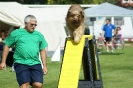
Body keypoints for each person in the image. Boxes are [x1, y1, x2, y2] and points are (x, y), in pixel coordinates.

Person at [0, 15, 48, 88]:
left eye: (35, 25)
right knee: (25, 85)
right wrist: (3, 62)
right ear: (25, 23)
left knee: (38, 85)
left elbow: (42, 50)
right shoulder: (16, 33)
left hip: (35, 63)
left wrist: (44, 66)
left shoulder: (38, 35)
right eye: (31, 24)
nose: (33, 26)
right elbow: (7, 46)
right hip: (21, 63)